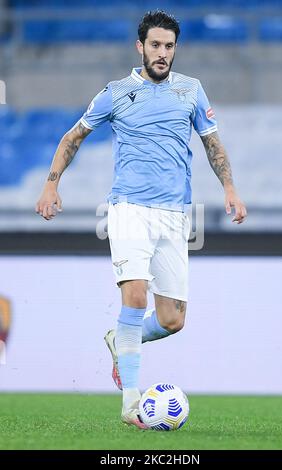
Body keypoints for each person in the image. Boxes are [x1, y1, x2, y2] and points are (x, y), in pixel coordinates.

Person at [36, 10, 247, 430]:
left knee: (172, 320)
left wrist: (229, 189)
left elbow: (212, 144)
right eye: (155, 45)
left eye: (169, 46)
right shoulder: (115, 93)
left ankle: (121, 339)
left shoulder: (191, 90)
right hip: (129, 208)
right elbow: (72, 136)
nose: (162, 53)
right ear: (140, 47)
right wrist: (50, 185)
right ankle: (131, 403)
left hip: (175, 214)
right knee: (134, 296)